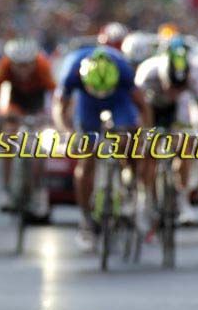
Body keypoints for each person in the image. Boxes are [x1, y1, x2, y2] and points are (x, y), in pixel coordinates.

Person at [53, 45, 152, 251]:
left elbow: (143, 107)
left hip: (119, 100)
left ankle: (130, 184)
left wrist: (144, 136)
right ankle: (87, 221)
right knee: (86, 159)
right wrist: (68, 132)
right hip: (87, 103)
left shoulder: (123, 70)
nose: (101, 94)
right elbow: (59, 108)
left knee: (127, 140)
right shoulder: (72, 70)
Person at [136, 35, 198, 227]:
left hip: (176, 111)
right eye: (171, 86)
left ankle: (182, 198)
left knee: (185, 144)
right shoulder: (147, 72)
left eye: (179, 88)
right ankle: (147, 197)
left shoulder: (192, 76)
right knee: (147, 151)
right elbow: (137, 110)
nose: (173, 92)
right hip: (150, 107)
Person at [0, 38, 56, 215]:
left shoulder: (43, 67)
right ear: (11, 63)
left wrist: (52, 119)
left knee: (40, 145)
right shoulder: (4, 66)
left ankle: (38, 190)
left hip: (37, 102)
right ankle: (6, 189)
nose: (23, 70)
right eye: (18, 65)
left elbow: (55, 97)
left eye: (27, 65)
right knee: (7, 138)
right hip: (15, 101)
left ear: (34, 62)